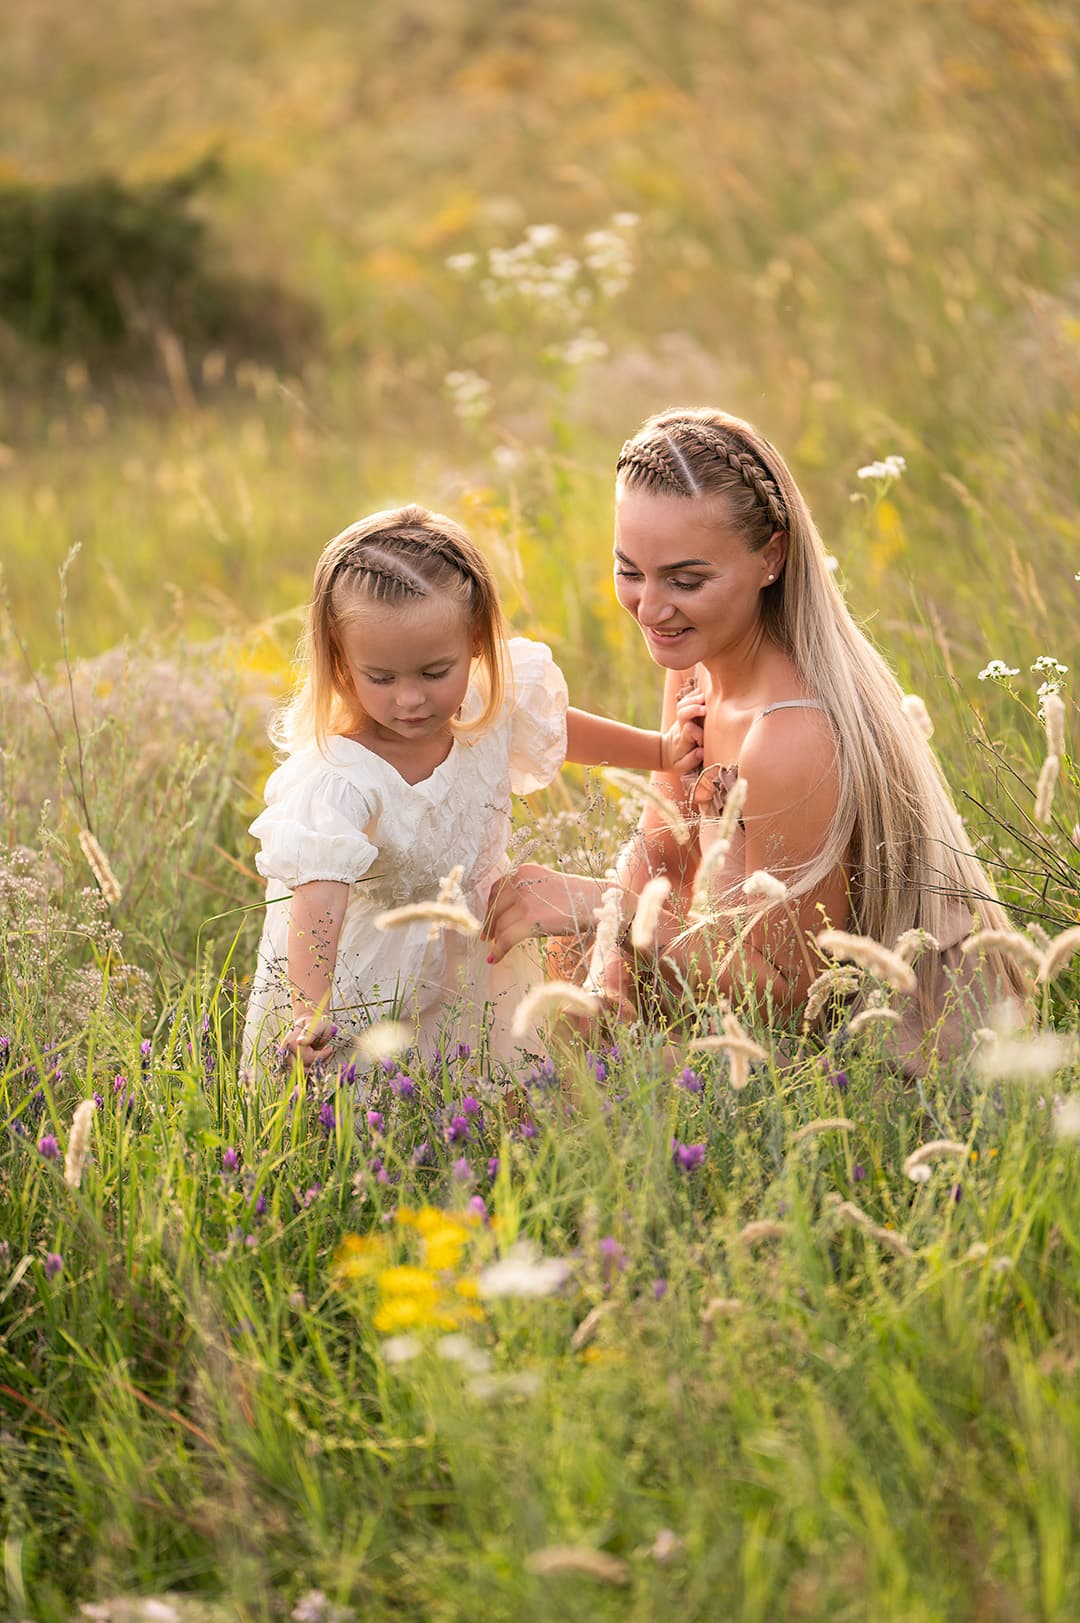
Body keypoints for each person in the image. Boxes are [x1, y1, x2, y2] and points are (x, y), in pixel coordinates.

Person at [483, 408, 1027, 1071]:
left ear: (771, 556)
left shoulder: (791, 737)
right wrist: (606, 985)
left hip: (900, 1061)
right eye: (630, 570)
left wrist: (610, 908)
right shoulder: (697, 662)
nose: (651, 608)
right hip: (748, 1013)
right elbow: (664, 849)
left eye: (686, 580)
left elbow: (798, 1006)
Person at [241, 503, 702, 1074]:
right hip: (366, 985)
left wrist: (659, 751)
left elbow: (565, 728)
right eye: (381, 679)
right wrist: (307, 1014)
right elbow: (317, 905)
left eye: (435, 672)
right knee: (373, 1126)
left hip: (477, 966)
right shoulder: (341, 779)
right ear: (340, 662)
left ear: (477, 641)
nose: (410, 699)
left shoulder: (487, 702)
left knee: (487, 1093)